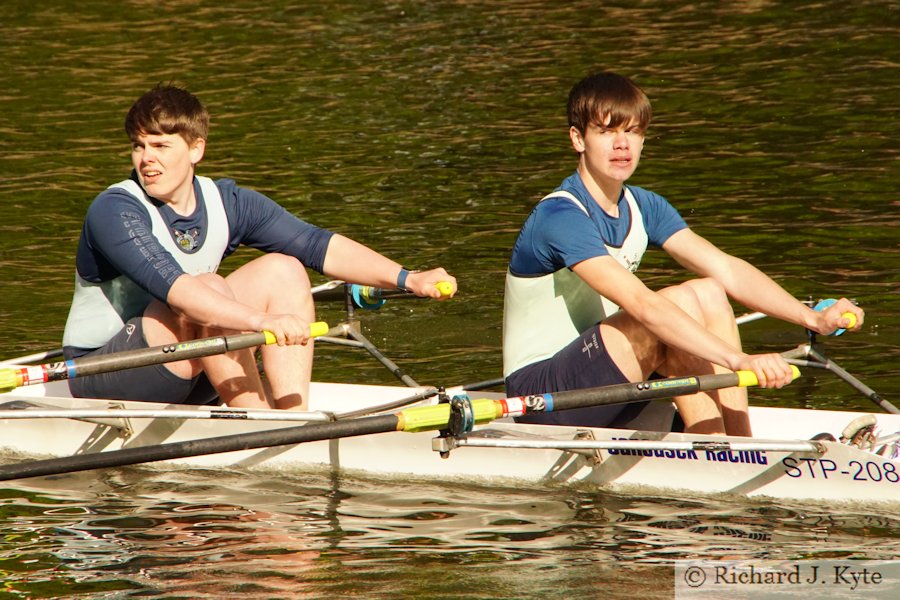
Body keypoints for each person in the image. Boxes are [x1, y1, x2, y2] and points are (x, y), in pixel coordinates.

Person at [502, 71, 863, 436]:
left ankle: (739, 443)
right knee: (674, 302)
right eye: (607, 131)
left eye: (633, 132)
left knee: (707, 289)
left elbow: (727, 269)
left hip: (610, 380)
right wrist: (738, 361)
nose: (622, 145)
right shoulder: (560, 216)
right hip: (541, 400)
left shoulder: (645, 206)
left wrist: (812, 319)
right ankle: (715, 448)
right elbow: (642, 304)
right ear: (578, 139)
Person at [62, 84, 456, 410]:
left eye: (161, 146)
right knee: (206, 288)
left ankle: (292, 417)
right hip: (105, 374)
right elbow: (178, 291)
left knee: (283, 268)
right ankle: (257, 418)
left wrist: (407, 277)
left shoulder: (228, 202)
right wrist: (260, 322)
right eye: (138, 146)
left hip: (193, 364)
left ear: (196, 149)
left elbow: (316, 244)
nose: (146, 159)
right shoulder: (114, 210)